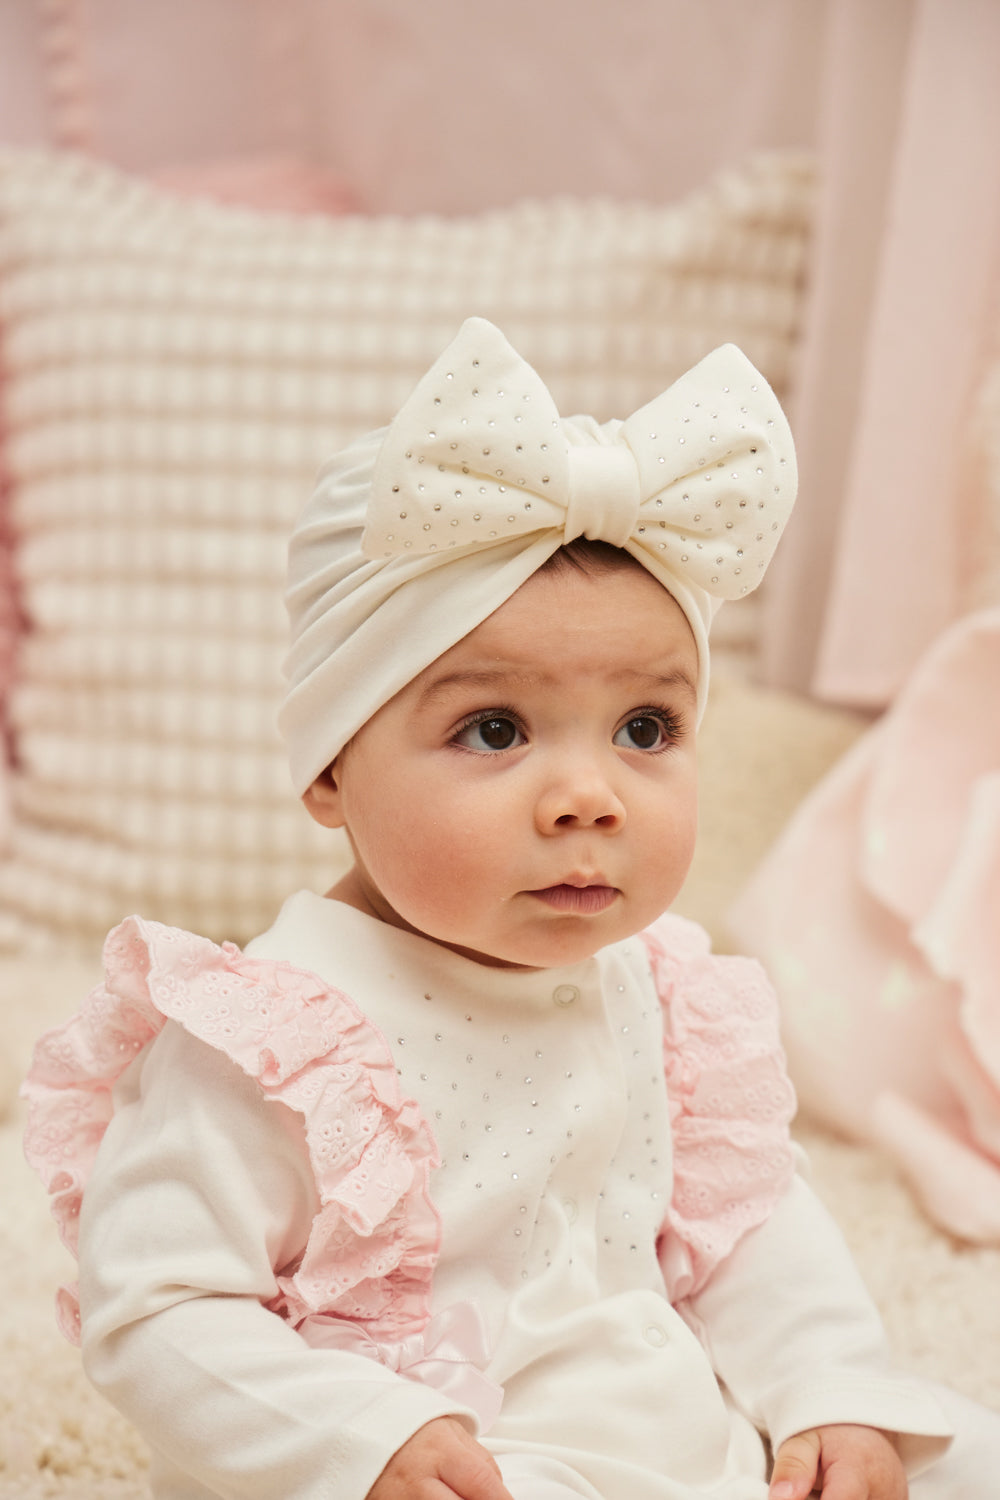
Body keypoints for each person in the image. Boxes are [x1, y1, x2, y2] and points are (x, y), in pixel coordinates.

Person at [22, 319, 998, 1500]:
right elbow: (157, 1308)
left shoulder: (659, 987)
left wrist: (826, 1390)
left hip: (662, 1429)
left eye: (647, 729)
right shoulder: (275, 1043)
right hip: (446, 1460)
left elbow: (745, 1229)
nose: (587, 797)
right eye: (495, 730)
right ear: (329, 769)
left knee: (951, 1446)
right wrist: (357, 1439)